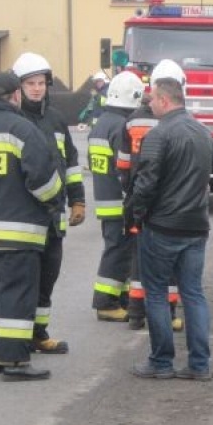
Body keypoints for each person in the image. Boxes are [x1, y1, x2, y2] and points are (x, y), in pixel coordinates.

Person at [0, 71, 63, 382]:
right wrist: (54, 203)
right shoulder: (23, 130)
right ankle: (15, 361)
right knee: (17, 293)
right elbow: (43, 183)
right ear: (17, 95)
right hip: (20, 232)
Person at [129, 77, 213, 380]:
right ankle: (200, 364)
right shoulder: (204, 132)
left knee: (156, 293)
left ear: (164, 100)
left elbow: (146, 183)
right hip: (196, 225)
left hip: (163, 226)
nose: (149, 104)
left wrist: (136, 215)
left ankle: (161, 361)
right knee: (193, 293)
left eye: (152, 99)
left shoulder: (158, 134)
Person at [12, 52, 87, 353]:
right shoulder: (15, 120)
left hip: (53, 217)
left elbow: (70, 162)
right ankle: (19, 338)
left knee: (47, 278)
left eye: (41, 83)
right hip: (26, 215)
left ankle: (38, 334)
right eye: (30, 83)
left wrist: (78, 200)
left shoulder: (55, 119)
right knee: (25, 281)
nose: (36, 89)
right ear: (19, 87)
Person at [119, 59, 187, 331]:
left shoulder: (132, 120)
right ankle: (167, 315)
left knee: (139, 257)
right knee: (167, 259)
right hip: (166, 201)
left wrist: (132, 193)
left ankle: (136, 313)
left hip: (138, 197)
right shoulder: (177, 122)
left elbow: (123, 164)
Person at [89, 70, 144, 322]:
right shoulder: (122, 126)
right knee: (118, 251)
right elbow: (127, 167)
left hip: (105, 199)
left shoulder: (100, 124)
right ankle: (105, 302)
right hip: (120, 201)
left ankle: (121, 296)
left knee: (119, 249)